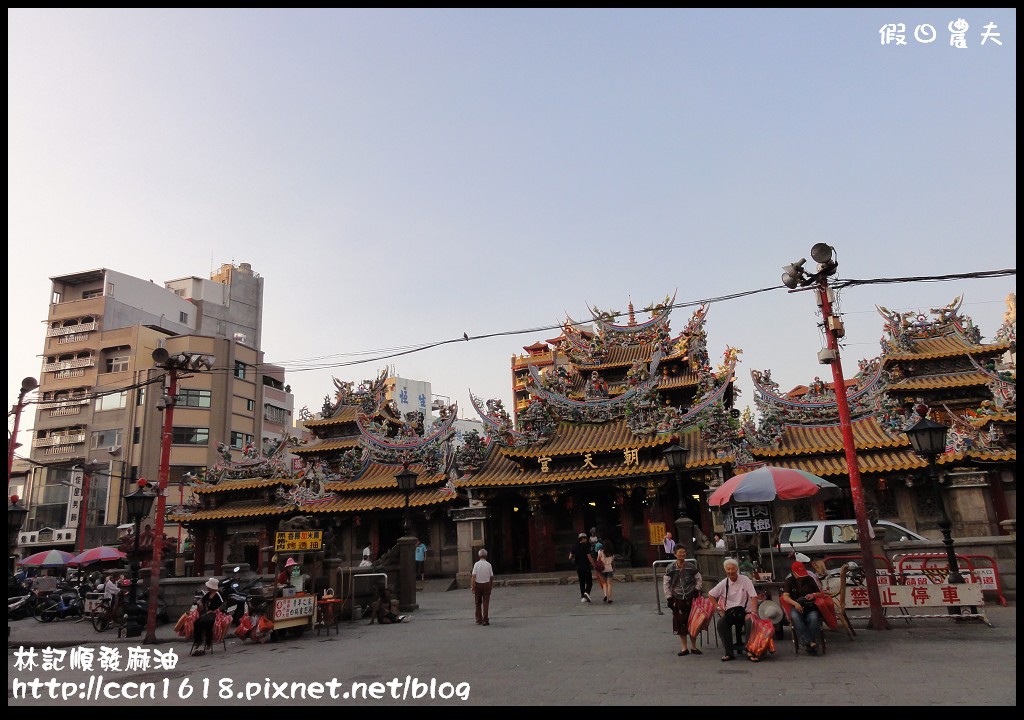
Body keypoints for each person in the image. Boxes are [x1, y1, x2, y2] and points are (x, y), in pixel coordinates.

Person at [707, 557, 759, 662]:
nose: (730, 571)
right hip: (731, 612)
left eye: (732, 569)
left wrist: (754, 611)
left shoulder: (745, 580)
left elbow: (754, 597)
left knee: (751, 622)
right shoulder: (723, 583)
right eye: (728, 569)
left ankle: (750, 650)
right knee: (721, 623)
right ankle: (729, 652)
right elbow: (710, 594)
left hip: (745, 611)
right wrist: (718, 607)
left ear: (737, 569)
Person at [663, 546, 702, 656]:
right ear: (675, 554)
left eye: (684, 552)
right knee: (680, 622)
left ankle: (694, 646)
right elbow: (666, 583)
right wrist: (669, 597)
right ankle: (684, 647)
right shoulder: (670, 568)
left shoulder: (691, 567)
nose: (682, 554)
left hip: (690, 596)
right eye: (680, 552)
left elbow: (698, 578)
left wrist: (697, 590)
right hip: (677, 596)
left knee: (693, 621)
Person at [782, 560, 823, 655]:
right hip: (796, 606)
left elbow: (819, 593)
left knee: (813, 618)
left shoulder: (809, 579)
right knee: (796, 618)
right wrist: (795, 604)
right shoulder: (789, 581)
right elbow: (785, 596)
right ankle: (811, 642)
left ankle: (809, 642)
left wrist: (813, 595)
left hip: (810, 605)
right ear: (793, 573)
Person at [192, 577, 224, 656]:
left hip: (215, 615)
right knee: (196, 623)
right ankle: (198, 641)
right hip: (206, 614)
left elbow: (222, 606)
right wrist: (199, 604)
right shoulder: (207, 595)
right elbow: (201, 602)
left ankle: (208, 642)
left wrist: (213, 611)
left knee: (208, 623)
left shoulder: (218, 595)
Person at [471, 548, 494, 625]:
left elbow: (473, 576)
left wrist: (473, 586)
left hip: (478, 585)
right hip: (486, 584)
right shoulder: (489, 565)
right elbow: (491, 577)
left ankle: (478, 619)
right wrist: (490, 585)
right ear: (486, 556)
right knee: (486, 603)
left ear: (479, 556)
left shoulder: (476, 564)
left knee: (477, 602)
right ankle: (485, 619)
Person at [569, 532, 594, 603]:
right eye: (585, 538)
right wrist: (594, 564)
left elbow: (570, 557)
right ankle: (586, 592)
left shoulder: (574, 546)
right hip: (586, 567)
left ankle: (583, 597)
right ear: (582, 539)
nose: (586, 539)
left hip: (578, 567)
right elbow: (589, 557)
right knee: (589, 582)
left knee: (582, 582)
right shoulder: (586, 547)